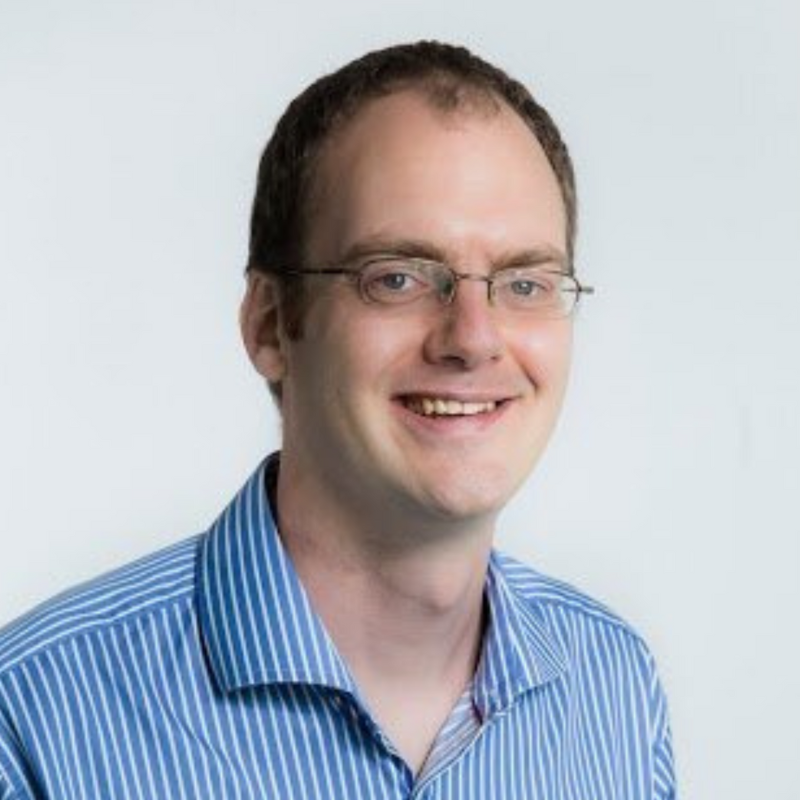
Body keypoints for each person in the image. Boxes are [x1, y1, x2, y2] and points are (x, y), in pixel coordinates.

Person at [0, 41, 676, 799]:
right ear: (270, 325)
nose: (475, 337)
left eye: (525, 282)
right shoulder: (32, 720)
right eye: (398, 277)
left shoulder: (613, 688)